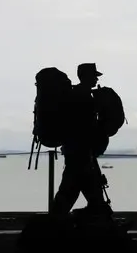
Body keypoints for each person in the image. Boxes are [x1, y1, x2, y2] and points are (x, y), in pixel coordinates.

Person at [52, 63, 112, 218]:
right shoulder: (82, 96)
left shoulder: (78, 94)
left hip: (79, 152)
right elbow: (85, 126)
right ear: (85, 77)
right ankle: (54, 223)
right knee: (71, 189)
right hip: (80, 153)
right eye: (94, 76)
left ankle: (100, 219)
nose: (96, 80)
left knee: (84, 188)